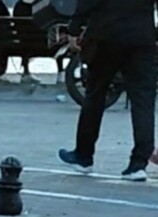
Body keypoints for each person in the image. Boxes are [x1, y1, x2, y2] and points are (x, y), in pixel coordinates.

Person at [58, 0, 157, 182]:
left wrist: (74, 29)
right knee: (143, 99)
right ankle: (138, 164)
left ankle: (84, 156)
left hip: (106, 35)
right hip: (142, 37)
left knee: (95, 94)